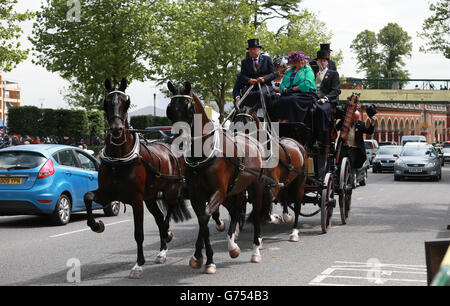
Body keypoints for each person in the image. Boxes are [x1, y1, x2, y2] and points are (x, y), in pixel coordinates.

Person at [275, 51, 317, 123]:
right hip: (290, 92)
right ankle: (280, 120)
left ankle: (291, 121)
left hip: (305, 93)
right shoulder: (289, 71)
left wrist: (293, 89)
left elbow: (307, 83)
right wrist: (284, 89)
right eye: (299, 60)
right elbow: (283, 83)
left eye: (302, 60)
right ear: (294, 62)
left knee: (292, 99)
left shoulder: (307, 70)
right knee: (280, 99)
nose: (301, 62)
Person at [238, 39, 277, 112]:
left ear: (259, 50)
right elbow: (242, 76)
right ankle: (245, 114)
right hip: (251, 86)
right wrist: (249, 80)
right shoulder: (245, 61)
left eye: (254, 49)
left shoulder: (267, 59)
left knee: (261, 94)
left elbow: (274, 74)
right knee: (245, 95)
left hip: (265, 86)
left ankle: (260, 114)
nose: (252, 51)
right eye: (250, 49)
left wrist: (264, 79)